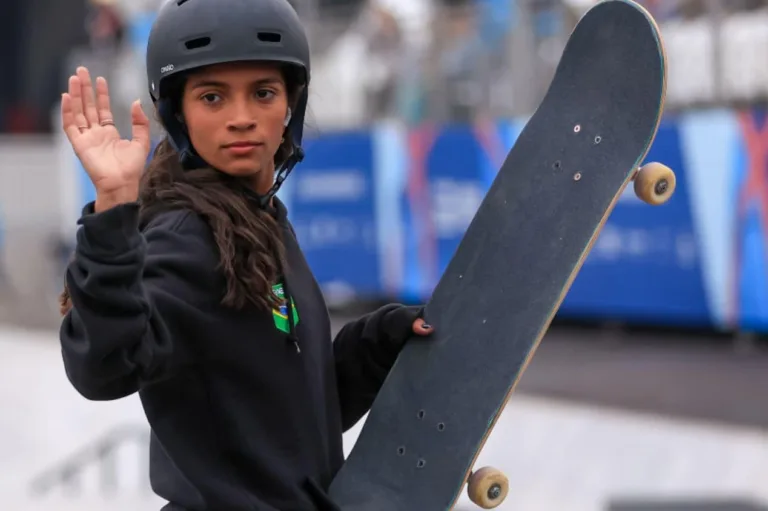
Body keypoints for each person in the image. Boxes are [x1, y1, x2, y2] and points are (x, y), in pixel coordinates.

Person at [57, 0, 434, 509]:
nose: (242, 118)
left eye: (263, 93)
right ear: (179, 114)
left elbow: (280, 421)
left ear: (291, 106)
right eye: (212, 97)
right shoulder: (187, 236)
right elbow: (102, 367)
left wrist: (374, 344)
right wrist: (111, 215)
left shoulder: (256, 221)